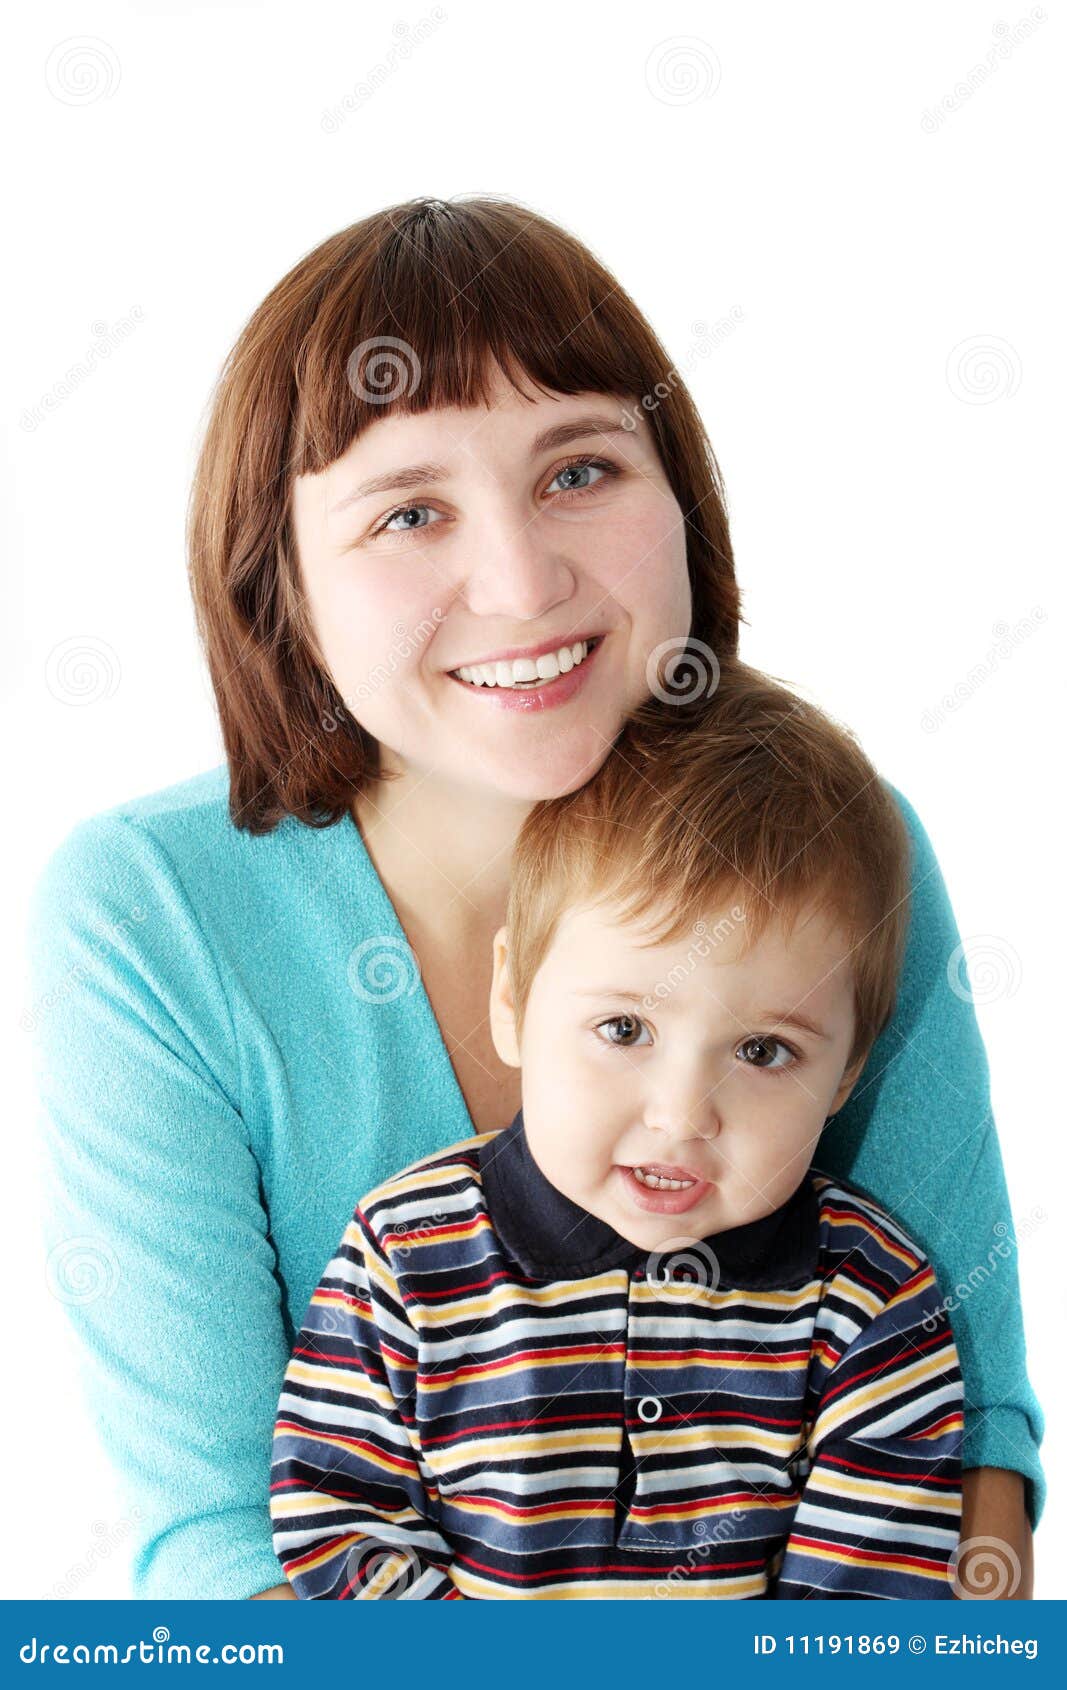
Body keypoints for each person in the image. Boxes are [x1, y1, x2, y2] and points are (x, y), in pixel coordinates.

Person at [25, 196, 1041, 1601]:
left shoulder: (836, 845)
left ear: (679, 495)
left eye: (578, 470)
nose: (517, 576)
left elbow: (962, 1432)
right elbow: (222, 1540)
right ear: (286, 594)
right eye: (408, 509)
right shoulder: (146, 914)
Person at [269, 660, 965, 1599]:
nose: (680, 1114)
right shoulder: (405, 1253)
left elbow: (863, 1614)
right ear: (511, 998)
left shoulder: (867, 1299)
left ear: (846, 1071)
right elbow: (338, 1521)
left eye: (762, 1052)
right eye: (623, 1030)